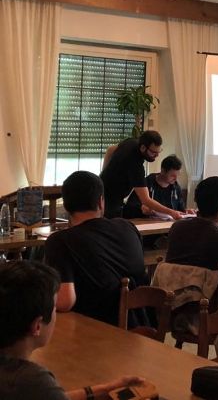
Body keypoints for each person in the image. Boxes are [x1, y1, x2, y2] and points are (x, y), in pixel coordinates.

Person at [0, 260, 144, 400]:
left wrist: (105, 390)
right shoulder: (32, 381)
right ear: (37, 326)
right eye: (55, 308)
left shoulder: (19, 379)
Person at [44, 171, 147, 326]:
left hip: (96, 329)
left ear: (65, 206)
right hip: (142, 325)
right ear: (100, 201)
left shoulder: (60, 241)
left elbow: (65, 302)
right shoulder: (128, 227)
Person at [100, 130, 182, 220]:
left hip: (101, 189)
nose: (157, 155)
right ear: (143, 148)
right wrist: (172, 212)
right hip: (110, 201)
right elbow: (146, 200)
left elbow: (110, 149)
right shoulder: (135, 166)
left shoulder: (131, 142)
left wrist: (103, 174)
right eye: (153, 152)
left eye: (159, 151)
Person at [123, 154, 194, 219]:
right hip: (147, 224)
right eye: (172, 175)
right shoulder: (146, 184)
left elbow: (180, 209)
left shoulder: (176, 188)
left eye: (178, 175)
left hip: (168, 225)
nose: (176, 178)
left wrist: (186, 211)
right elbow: (129, 208)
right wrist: (141, 208)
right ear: (163, 171)